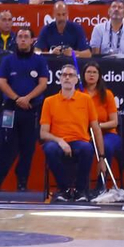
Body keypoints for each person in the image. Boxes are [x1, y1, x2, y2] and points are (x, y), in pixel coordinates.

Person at [0, 28, 51, 192]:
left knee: (28, 149)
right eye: (20, 37)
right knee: (4, 146)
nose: (23, 39)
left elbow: (43, 84)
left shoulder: (39, 61)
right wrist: (17, 99)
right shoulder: (7, 61)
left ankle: (22, 183)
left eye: (26, 37)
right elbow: (1, 83)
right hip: (10, 110)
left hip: (31, 110)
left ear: (32, 40)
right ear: (16, 40)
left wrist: (27, 98)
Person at [39, 63, 101, 201]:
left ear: (76, 79)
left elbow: (95, 128)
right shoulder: (49, 101)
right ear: (60, 79)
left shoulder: (86, 100)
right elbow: (43, 133)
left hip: (80, 140)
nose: (67, 78)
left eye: (71, 75)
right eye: (64, 75)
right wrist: (60, 140)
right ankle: (64, 190)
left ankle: (80, 191)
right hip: (57, 141)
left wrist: (101, 156)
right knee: (50, 149)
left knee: (87, 149)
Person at [80, 63, 122, 162]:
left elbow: (114, 122)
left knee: (105, 146)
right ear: (83, 74)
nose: (91, 75)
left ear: (99, 76)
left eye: (95, 72)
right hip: (85, 135)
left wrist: (97, 126)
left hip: (107, 134)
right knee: (83, 149)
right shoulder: (78, 94)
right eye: (89, 72)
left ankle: (102, 176)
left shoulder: (107, 94)